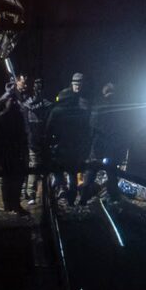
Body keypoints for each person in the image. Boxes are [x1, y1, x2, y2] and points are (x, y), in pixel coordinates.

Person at [45, 72, 91, 206]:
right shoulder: (81, 111)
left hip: (59, 146)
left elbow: (48, 129)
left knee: (58, 170)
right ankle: (71, 197)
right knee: (72, 172)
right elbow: (86, 130)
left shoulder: (56, 111)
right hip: (74, 147)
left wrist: (48, 144)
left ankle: (61, 191)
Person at [80, 82, 127, 205]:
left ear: (104, 92)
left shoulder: (97, 106)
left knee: (90, 173)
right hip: (111, 149)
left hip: (97, 147)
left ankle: (83, 199)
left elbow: (91, 128)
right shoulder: (120, 108)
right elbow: (121, 131)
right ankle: (114, 198)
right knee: (111, 174)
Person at [0, 76, 30, 215]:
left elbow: (22, 134)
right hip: (7, 153)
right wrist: (0, 155)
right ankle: (9, 204)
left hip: (16, 152)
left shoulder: (16, 117)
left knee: (17, 178)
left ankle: (14, 203)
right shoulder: (0, 120)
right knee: (8, 179)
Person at [22, 78, 52, 205]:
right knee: (43, 167)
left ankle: (30, 193)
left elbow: (25, 124)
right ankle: (44, 193)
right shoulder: (47, 105)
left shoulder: (26, 106)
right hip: (43, 139)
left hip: (32, 139)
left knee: (33, 166)